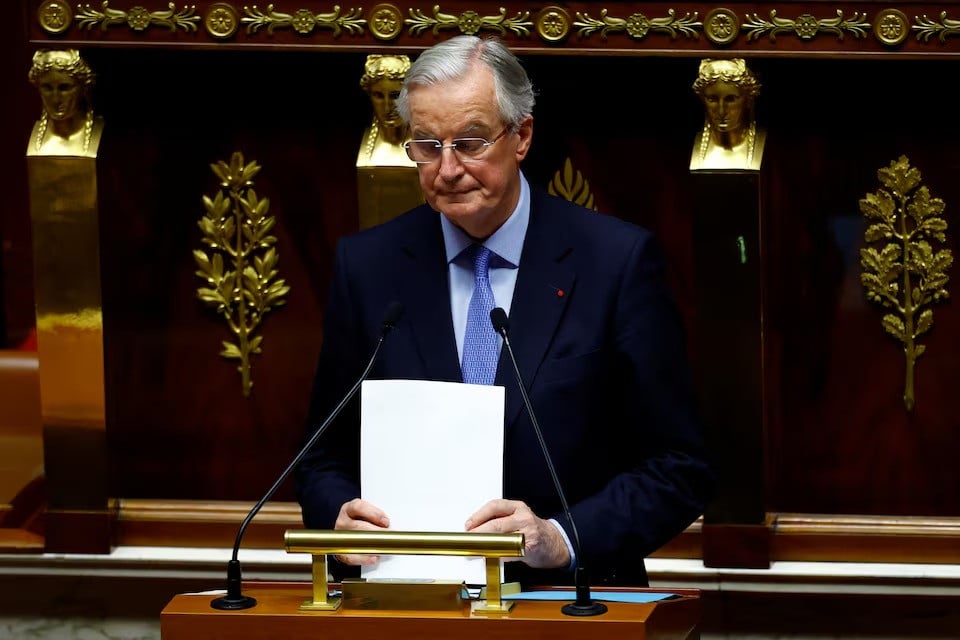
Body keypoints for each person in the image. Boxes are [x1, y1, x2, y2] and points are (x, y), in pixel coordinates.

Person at [296, 35, 714, 587]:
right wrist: (338, 515)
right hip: (406, 601)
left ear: (521, 135)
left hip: (568, 603)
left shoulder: (615, 263)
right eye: (426, 144)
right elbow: (319, 457)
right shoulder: (367, 266)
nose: (447, 169)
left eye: (469, 142)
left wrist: (559, 538)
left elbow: (679, 467)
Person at [689, 58, 764, 171]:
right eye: (712, 99)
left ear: (748, 100)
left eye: (731, 99)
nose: (721, 111)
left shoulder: (763, 143)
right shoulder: (692, 145)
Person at [27, 49, 102, 157]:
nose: (56, 99)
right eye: (47, 88)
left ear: (84, 88)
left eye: (65, 88)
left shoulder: (97, 131)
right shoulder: (37, 138)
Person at [356, 54, 415, 167]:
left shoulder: (427, 146)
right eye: (378, 95)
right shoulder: (367, 149)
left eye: (396, 95)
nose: (387, 107)